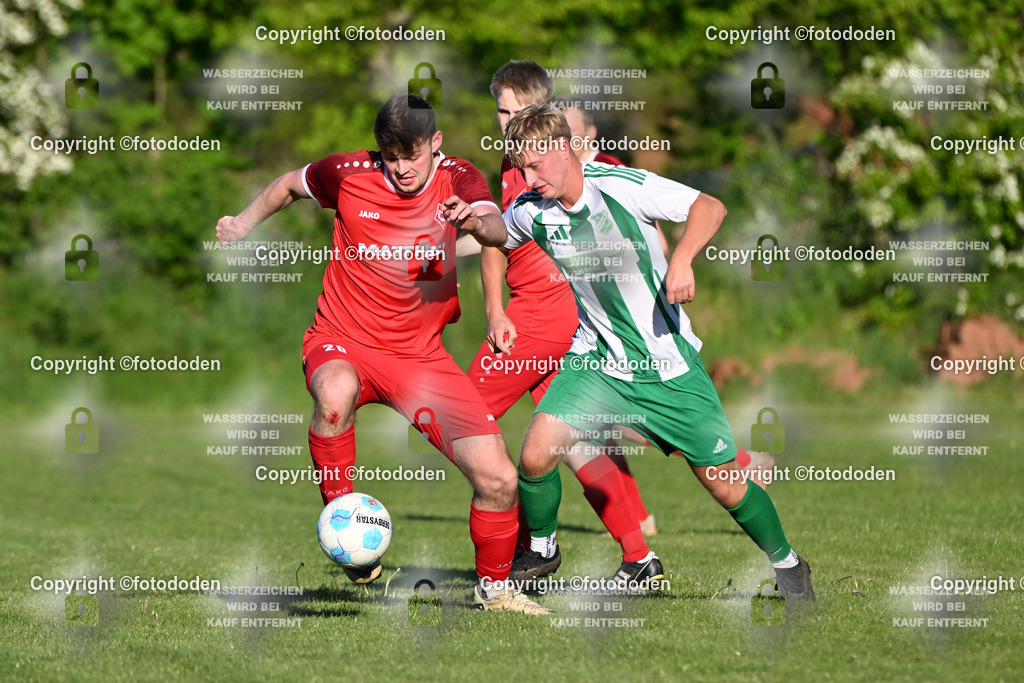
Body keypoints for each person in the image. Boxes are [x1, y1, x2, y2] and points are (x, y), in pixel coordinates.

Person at [214, 95, 550, 614]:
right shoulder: (348, 171)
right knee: (334, 392)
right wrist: (241, 223)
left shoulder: (458, 176)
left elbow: (495, 227)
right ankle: (341, 519)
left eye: (412, 156)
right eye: (391, 157)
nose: (401, 168)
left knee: (500, 478)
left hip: (420, 359)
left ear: (435, 144)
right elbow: (287, 185)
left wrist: (473, 220)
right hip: (342, 338)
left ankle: (495, 591)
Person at [501, 103, 815, 599]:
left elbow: (709, 206)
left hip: (668, 367)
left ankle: (790, 565)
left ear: (564, 149)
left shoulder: (621, 186)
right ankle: (541, 548)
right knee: (538, 449)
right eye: (521, 167)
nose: (528, 176)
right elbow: (498, 232)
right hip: (598, 362)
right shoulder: (530, 210)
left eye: (535, 165)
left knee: (722, 483)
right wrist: (463, 223)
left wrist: (683, 260)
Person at [458, 61, 663, 584]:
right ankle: (640, 557)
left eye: (512, 110)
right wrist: (494, 307)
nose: (502, 120)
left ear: (539, 110)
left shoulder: (551, 162)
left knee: (463, 419)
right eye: (499, 110)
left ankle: (522, 550)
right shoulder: (515, 164)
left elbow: (501, 240)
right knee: (575, 442)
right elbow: (497, 239)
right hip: (553, 316)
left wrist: (501, 312)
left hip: (543, 316)